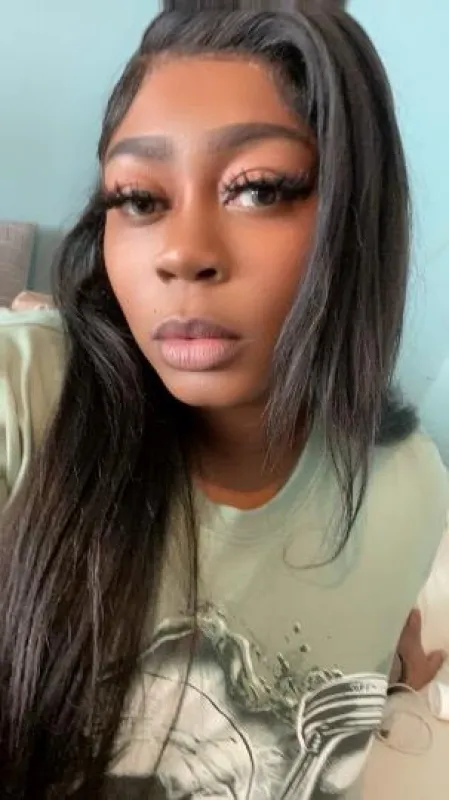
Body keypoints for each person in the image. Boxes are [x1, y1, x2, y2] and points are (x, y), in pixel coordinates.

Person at [1, 1, 448, 797]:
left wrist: (388, 673)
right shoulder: (23, 397)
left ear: (357, 213)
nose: (182, 253)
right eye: (139, 199)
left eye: (259, 189)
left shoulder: (410, 487)